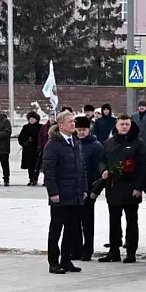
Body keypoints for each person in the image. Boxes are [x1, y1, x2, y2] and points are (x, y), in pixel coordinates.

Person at [96, 114, 146, 263]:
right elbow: (101, 160)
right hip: (113, 188)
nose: (124, 127)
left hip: (131, 188)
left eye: (127, 124)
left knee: (131, 221)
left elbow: (144, 167)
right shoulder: (109, 142)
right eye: (122, 124)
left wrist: (139, 187)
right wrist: (103, 170)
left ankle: (131, 252)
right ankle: (114, 251)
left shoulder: (139, 143)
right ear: (117, 125)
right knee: (114, 221)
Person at [41, 110, 87, 274]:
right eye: (69, 122)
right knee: (56, 228)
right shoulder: (53, 144)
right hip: (60, 194)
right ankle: (53, 262)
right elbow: (49, 171)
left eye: (73, 121)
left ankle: (66, 260)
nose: (73, 124)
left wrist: (84, 189)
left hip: (75, 193)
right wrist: (53, 192)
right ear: (60, 125)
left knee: (72, 229)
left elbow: (81, 168)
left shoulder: (75, 142)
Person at [75, 115, 104, 261]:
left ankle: (87, 249)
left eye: (84, 129)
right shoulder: (72, 143)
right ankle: (76, 249)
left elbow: (100, 170)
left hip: (89, 190)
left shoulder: (96, 146)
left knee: (87, 222)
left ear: (89, 129)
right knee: (74, 222)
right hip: (74, 190)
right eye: (79, 129)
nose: (81, 132)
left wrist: (95, 191)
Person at [17, 111, 43, 185]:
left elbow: (41, 137)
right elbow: (21, 137)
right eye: (30, 118)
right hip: (28, 149)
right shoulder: (25, 127)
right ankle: (31, 178)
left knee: (37, 164)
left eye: (33, 118)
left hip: (37, 149)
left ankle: (35, 178)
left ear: (36, 119)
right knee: (30, 165)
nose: (31, 120)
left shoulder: (40, 127)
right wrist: (25, 142)